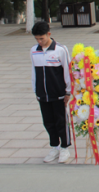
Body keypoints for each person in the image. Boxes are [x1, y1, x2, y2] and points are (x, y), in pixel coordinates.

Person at [30, 22, 71, 164]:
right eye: (37, 39)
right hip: (42, 94)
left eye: (41, 38)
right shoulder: (34, 51)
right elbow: (34, 72)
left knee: (61, 121)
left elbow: (67, 72)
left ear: (49, 34)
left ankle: (65, 147)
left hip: (58, 93)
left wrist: (68, 91)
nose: (39, 42)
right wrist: (36, 90)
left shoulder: (60, 50)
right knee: (48, 122)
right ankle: (55, 146)